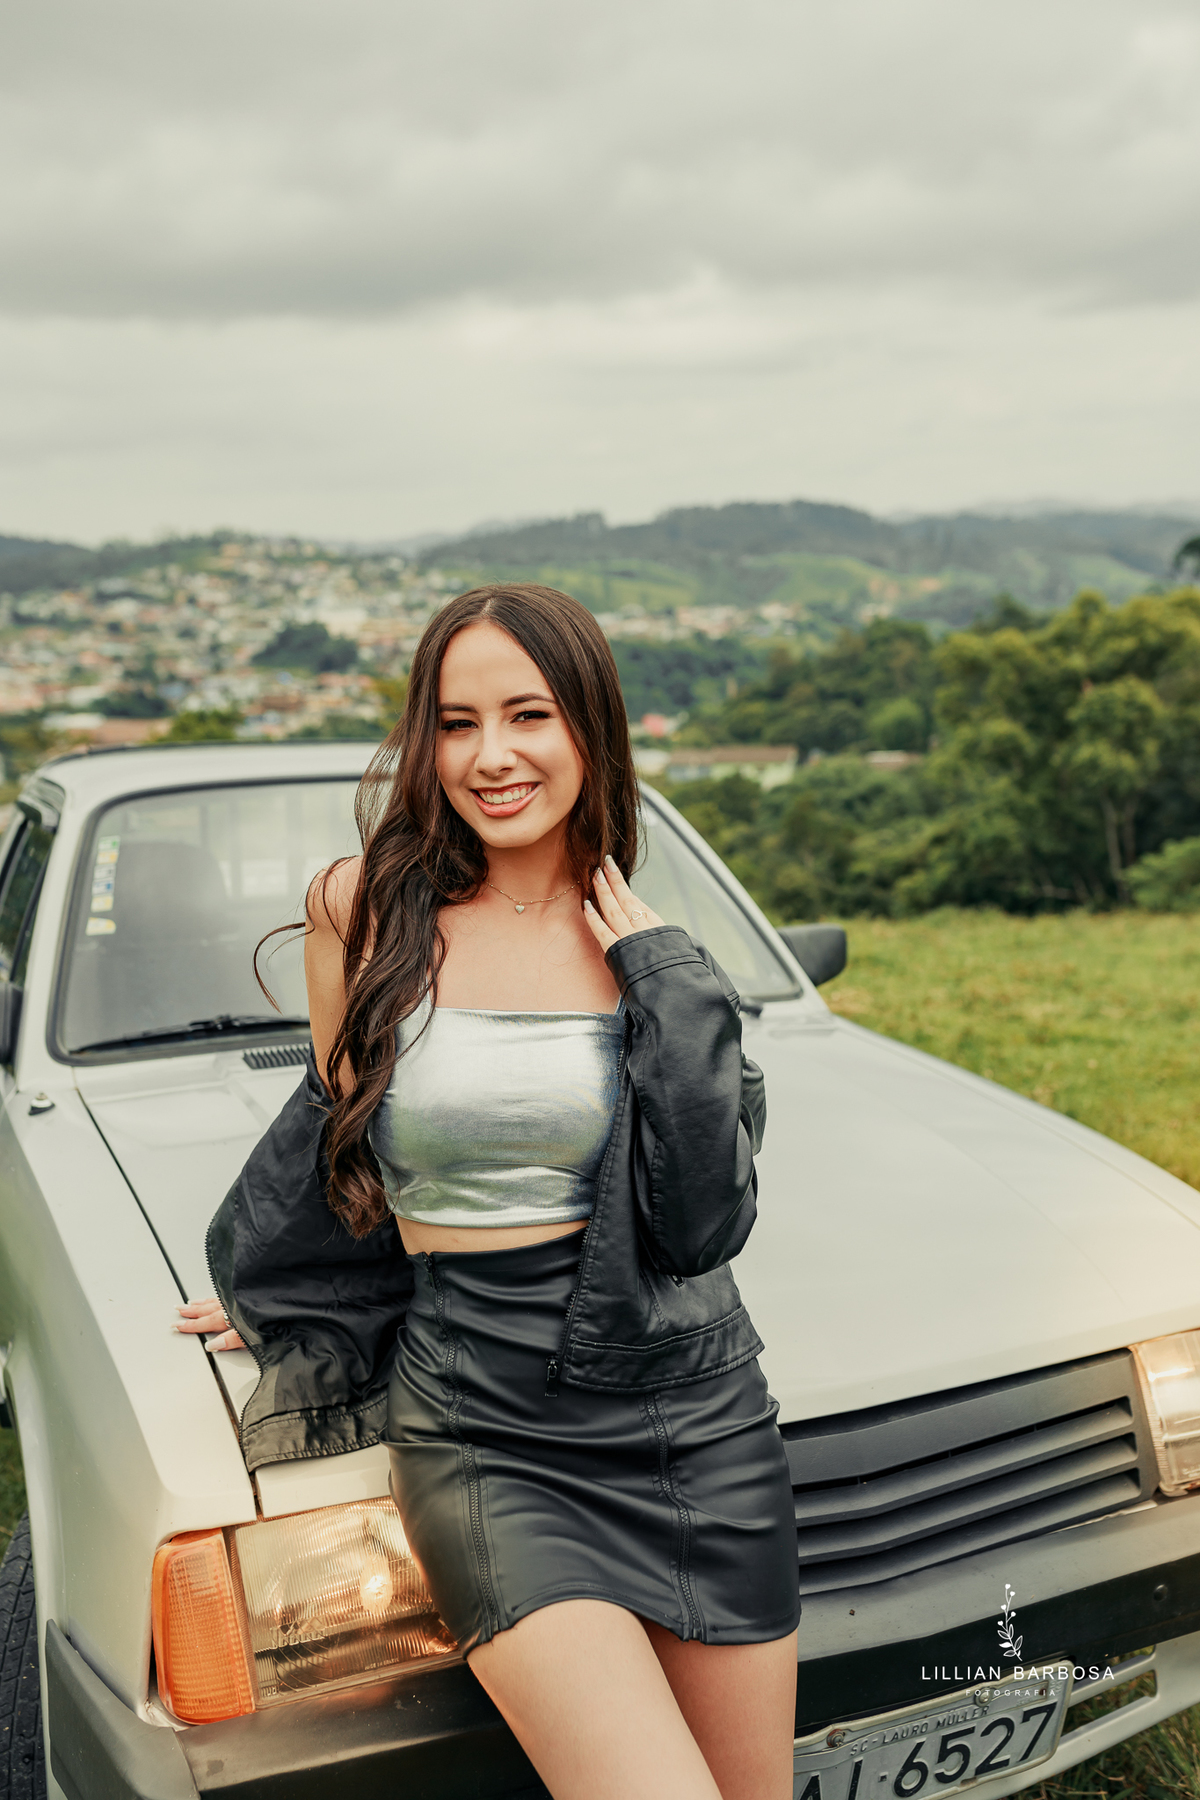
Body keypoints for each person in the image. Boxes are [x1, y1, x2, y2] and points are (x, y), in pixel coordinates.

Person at [180, 584, 800, 1799]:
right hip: (490, 1434)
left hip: (702, 1421)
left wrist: (667, 983)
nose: (492, 756)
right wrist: (279, 1294)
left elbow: (707, 1222)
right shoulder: (359, 913)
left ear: (589, 729)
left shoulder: (648, 942)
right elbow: (342, 1137)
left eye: (528, 715)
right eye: (456, 723)